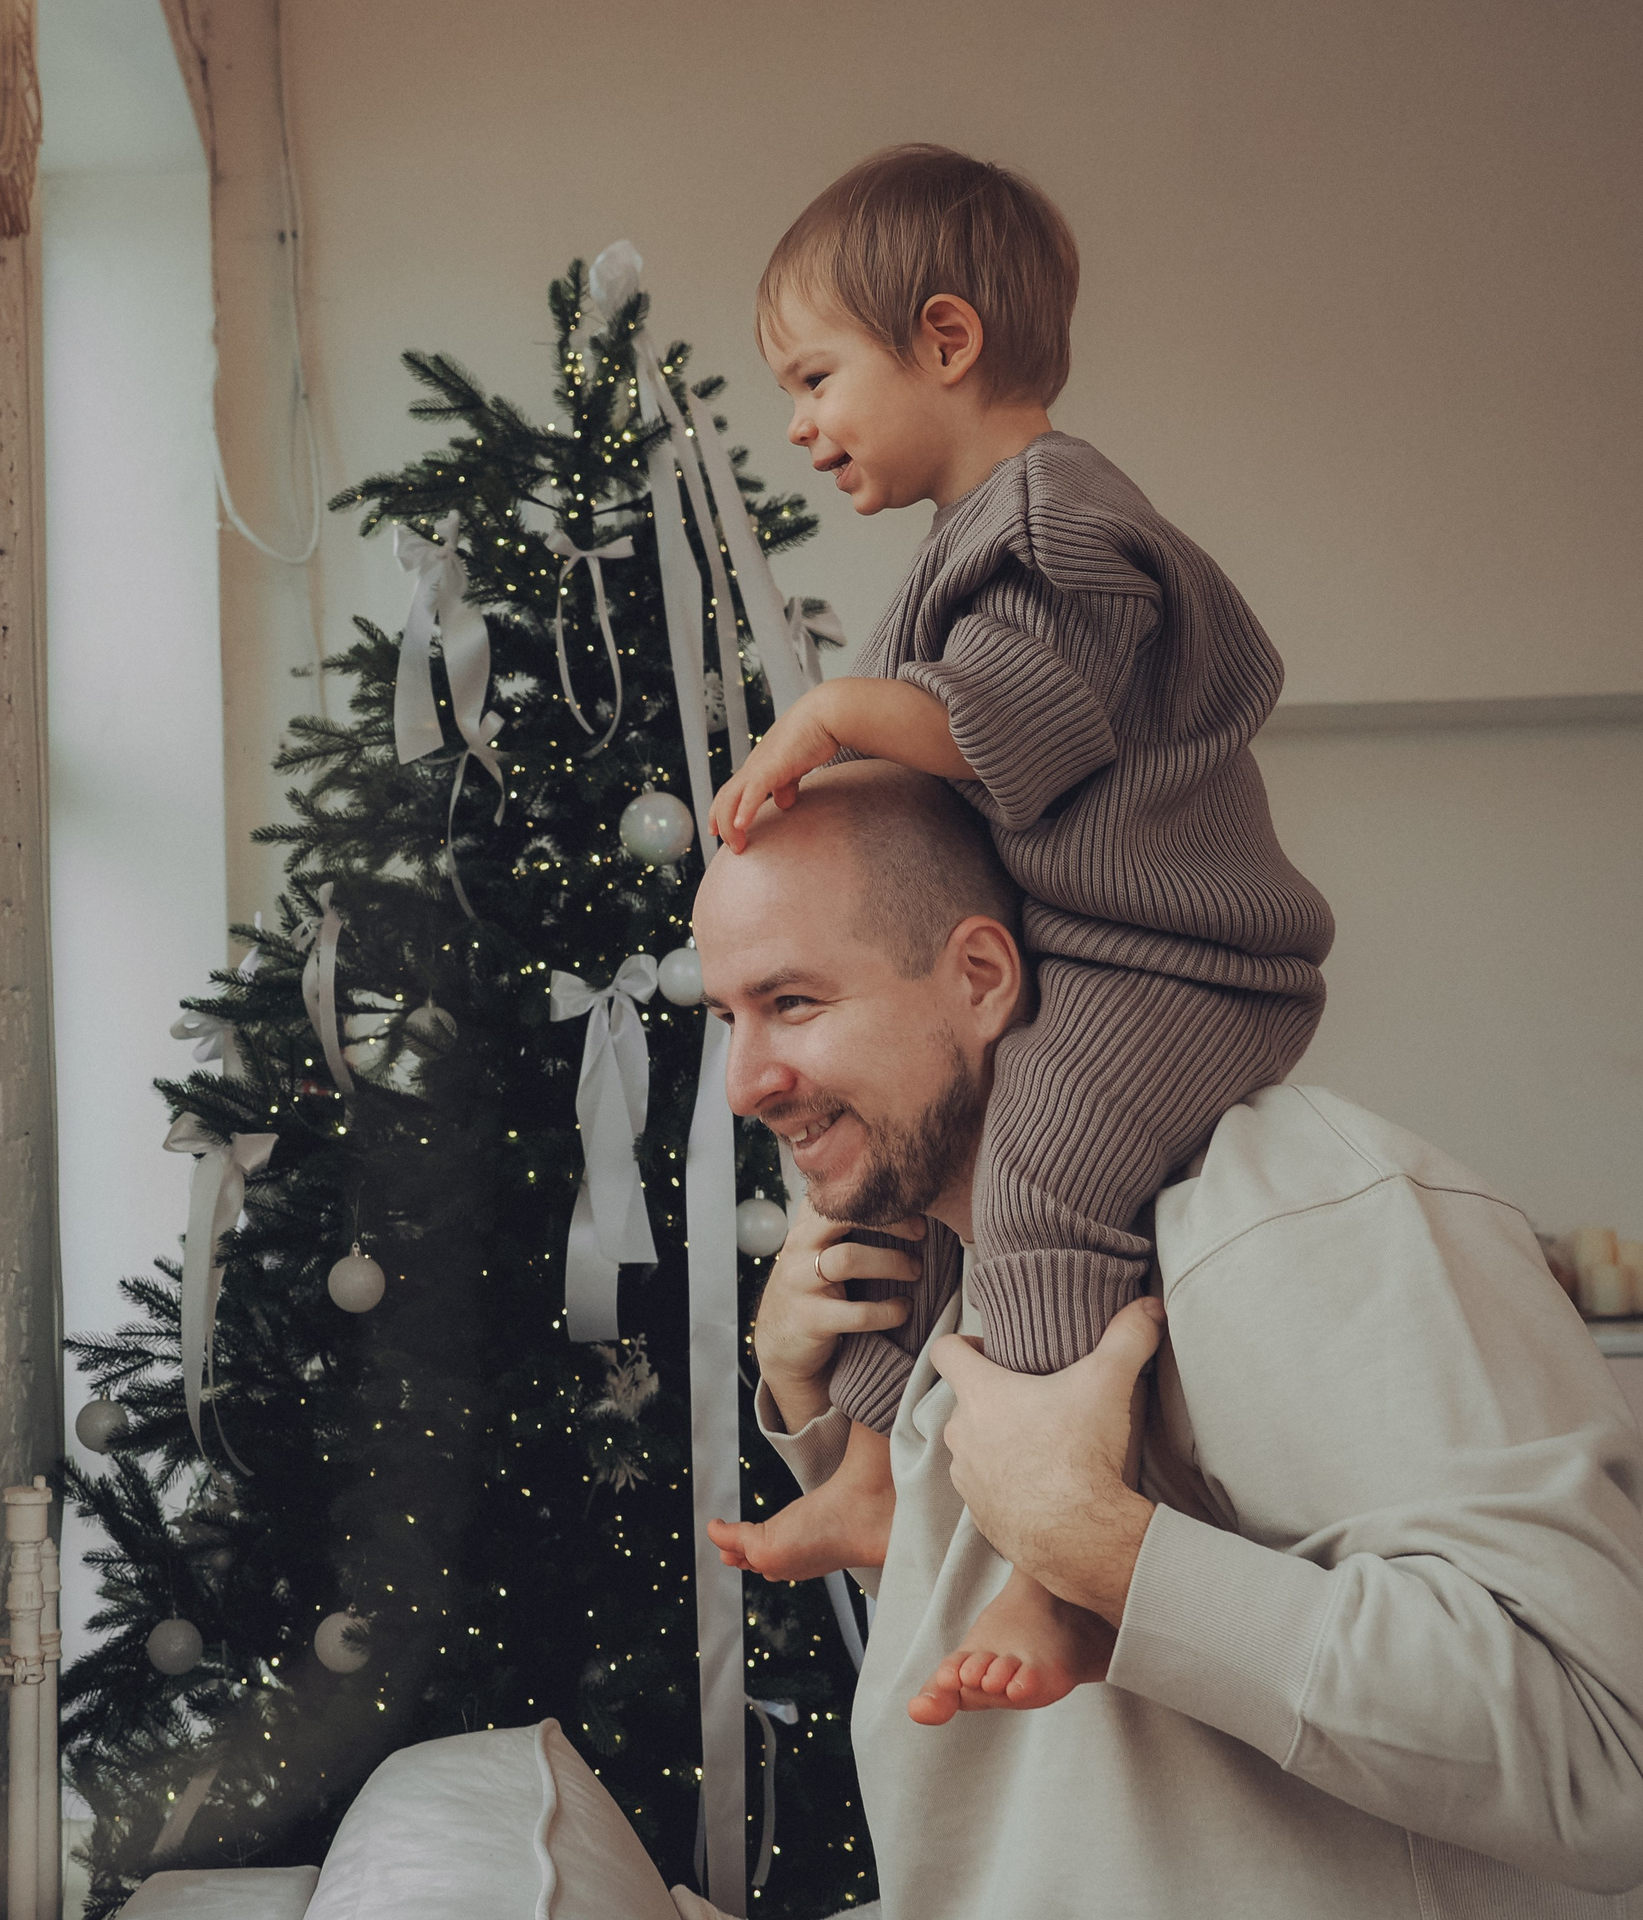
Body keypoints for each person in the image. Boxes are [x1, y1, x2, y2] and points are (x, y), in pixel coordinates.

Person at [695, 762, 1643, 1916]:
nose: (745, 1083)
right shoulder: (972, 1268)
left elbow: (1606, 1761)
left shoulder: (1285, 1212)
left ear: (981, 977)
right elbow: (1082, 1729)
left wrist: (1103, 1545)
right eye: (726, 1017)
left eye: (793, 1003)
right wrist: (820, 1418)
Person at [703, 144, 1334, 1712]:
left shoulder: (1060, 521)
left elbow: (1014, 731)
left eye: (815, 375)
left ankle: (1069, 1574)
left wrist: (836, 715)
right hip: (1083, 948)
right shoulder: (969, 540)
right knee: (906, 1185)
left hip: (1177, 963)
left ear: (946, 337)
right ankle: (865, 1470)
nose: (797, 423)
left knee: (1036, 1181)